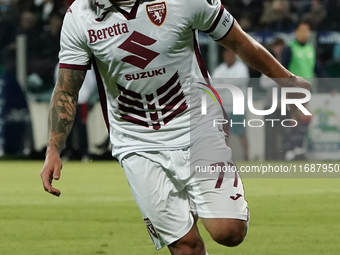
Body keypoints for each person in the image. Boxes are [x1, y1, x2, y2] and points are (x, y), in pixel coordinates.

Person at [40, 0, 311, 254]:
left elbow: (237, 40)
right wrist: (53, 149)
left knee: (229, 232)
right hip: (137, 143)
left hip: (197, 125)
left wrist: (286, 80)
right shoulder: (79, 16)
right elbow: (66, 89)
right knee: (185, 246)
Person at [281, 22, 314, 160]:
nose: (304, 33)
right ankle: (295, 148)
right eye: (301, 31)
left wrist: (330, 85)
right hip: (293, 88)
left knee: (297, 118)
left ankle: (293, 148)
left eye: (307, 31)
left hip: (306, 89)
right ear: (296, 32)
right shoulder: (290, 48)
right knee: (301, 116)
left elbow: (316, 68)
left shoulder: (311, 48)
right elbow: (283, 67)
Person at [212, 48, 250, 160]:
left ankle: (246, 156)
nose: (228, 56)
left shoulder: (241, 68)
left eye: (231, 54)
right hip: (224, 107)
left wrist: (224, 83)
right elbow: (214, 87)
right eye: (226, 54)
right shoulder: (219, 70)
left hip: (238, 107)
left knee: (241, 133)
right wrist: (228, 84)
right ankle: (225, 158)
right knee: (224, 135)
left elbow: (239, 82)